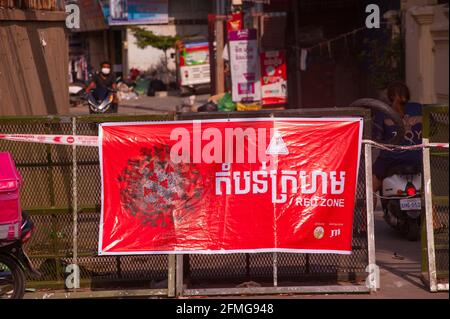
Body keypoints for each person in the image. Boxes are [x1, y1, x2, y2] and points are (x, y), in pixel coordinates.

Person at [372, 82, 423, 206]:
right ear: (408, 94)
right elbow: (432, 129)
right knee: (428, 190)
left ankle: (366, 223)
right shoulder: (418, 108)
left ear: (390, 96)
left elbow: (376, 139)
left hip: (390, 159)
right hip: (418, 158)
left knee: (370, 188)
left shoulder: (383, 112)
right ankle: (436, 222)